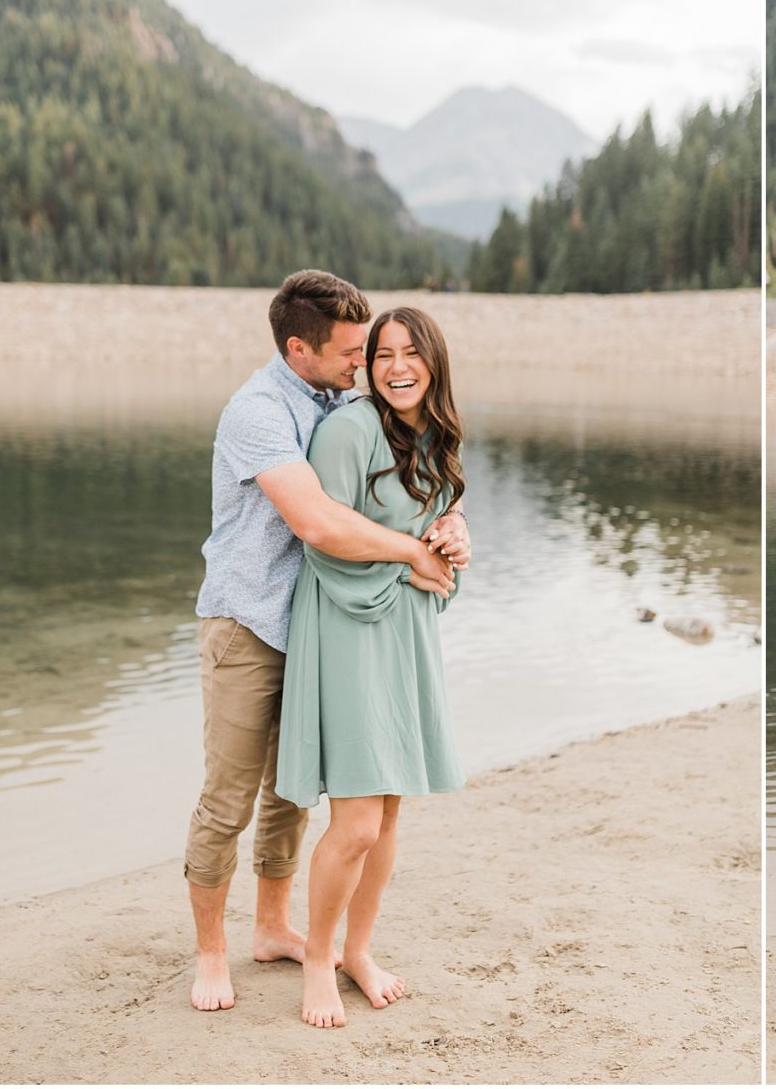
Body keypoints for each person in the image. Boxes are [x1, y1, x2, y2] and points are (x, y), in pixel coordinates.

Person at [184, 273, 468, 1013]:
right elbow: (315, 523)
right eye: (353, 353)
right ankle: (211, 953)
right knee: (229, 800)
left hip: (322, 627)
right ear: (297, 348)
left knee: (292, 799)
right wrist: (412, 556)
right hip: (251, 623)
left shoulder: (343, 401)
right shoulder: (259, 411)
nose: (364, 364)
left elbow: (411, 478)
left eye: (368, 351)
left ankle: (275, 927)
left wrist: (452, 528)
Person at [275, 305, 472, 1028]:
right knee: (356, 820)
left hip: (406, 634)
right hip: (350, 624)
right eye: (382, 354)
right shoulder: (348, 430)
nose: (395, 368)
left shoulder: (434, 436)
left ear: (433, 362)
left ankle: (359, 950)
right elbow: (325, 541)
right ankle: (319, 960)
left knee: (388, 815)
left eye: (410, 354)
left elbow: (433, 554)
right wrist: (411, 558)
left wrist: (451, 540)